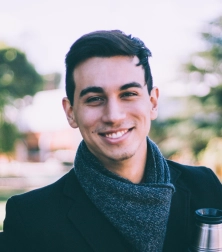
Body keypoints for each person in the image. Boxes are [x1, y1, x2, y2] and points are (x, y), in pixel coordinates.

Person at [0, 30, 222, 252]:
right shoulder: (31, 218)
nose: (114, 115)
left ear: (153, 103)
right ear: (70, 112)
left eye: (128, 94)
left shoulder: (205, 187)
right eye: (94, 99)